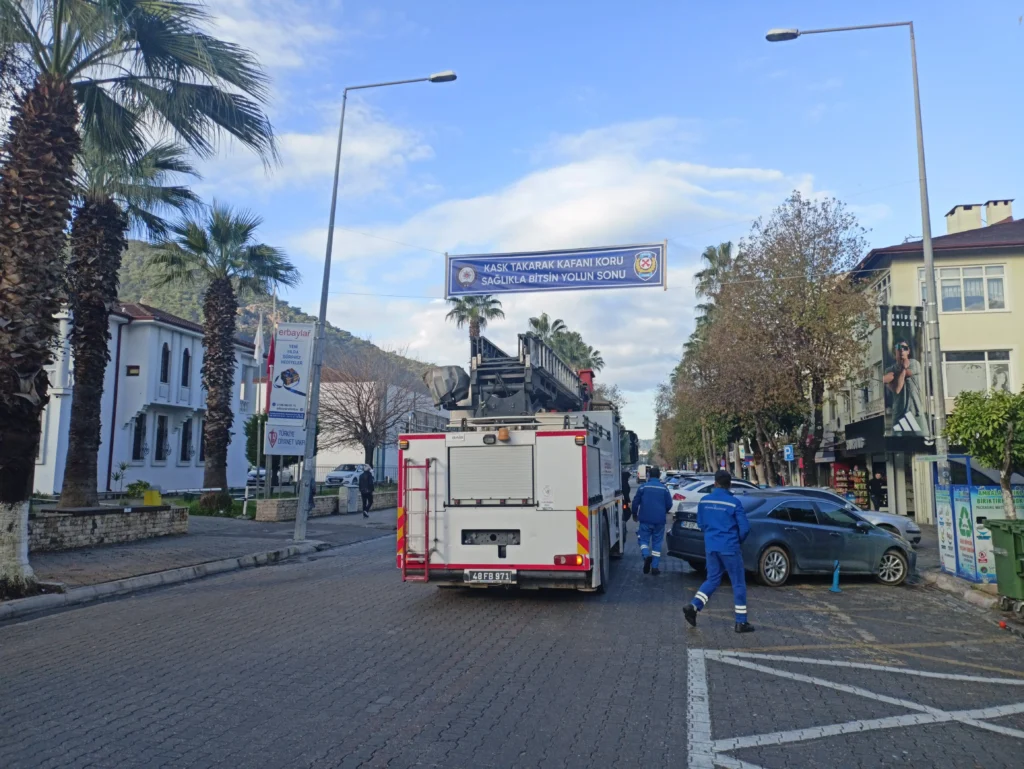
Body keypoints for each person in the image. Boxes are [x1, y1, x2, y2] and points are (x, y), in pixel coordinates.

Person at [683, 470, 754, 633]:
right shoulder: (734, 502)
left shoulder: (704, 501)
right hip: (729, 547)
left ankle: (694, 606)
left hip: (711, 547)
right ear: (729, 485)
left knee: (713, 580)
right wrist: (736, 541)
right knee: (738, 583)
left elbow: (701, 524)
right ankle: (741, 622)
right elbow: (745, 528)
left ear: (715, 483)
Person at [631, 466, 672, 575]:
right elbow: (669, 504)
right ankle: (655, 567)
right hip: (659, 521)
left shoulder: (643, 487)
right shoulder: (664, 488)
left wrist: (634, 514)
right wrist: (663, 511)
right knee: (657, 543)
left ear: (649, 475)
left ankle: (645, 555)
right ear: (659, 475)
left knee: (643, 540)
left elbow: (635, 502)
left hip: (645, 519)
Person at [883, 339, 926, 435]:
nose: (902, 350)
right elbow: (897, 389)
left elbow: (902, 375)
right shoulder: (889, 369)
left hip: (915, 412)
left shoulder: (914, 364)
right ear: (895, 350)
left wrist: (896, 375)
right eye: (899, 348)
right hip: (899, 414)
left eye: (905, 348)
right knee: (896, 445)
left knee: (923, 441)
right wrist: (902, 370)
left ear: (908, 351)